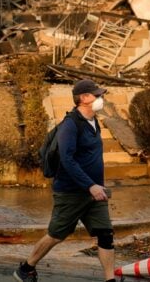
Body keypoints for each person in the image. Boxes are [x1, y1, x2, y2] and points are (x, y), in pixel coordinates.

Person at [14, 79, 115, 282]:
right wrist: (90, 185)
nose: (100, 98)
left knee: (105, 235)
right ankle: (26, 268)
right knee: (56, 235)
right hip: (71, 192)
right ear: (83, 98)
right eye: (97, 95)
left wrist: (96, 186)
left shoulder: (94, 122)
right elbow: (67, 160)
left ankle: (110, 279)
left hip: (95, 193)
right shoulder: (70, 125)